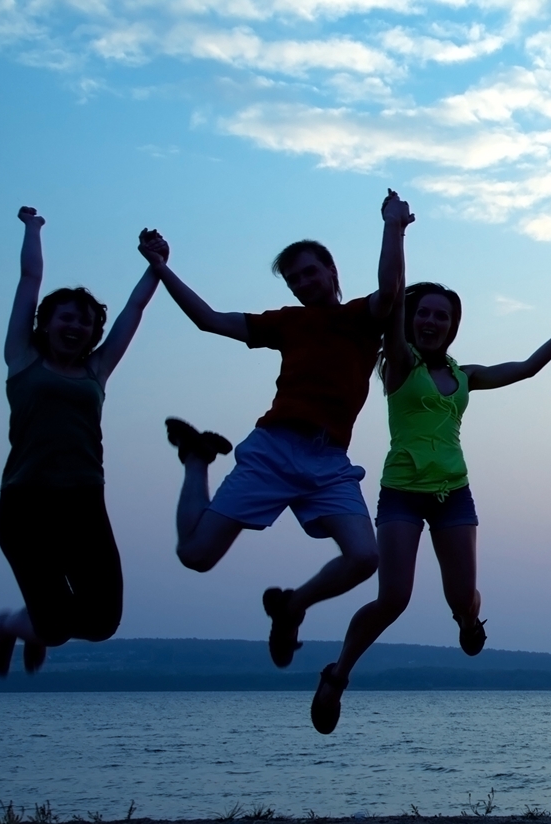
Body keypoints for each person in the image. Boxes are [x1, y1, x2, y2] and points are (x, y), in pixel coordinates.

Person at [148, 190, 409, 669]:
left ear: (331, 271)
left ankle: (292, 606)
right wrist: (162, 268)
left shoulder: (358, 318)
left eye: (310, 272)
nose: (303, 283)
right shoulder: (288, 323)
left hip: (328, 461)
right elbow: (209, 320)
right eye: (293, 280)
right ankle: (195, 459)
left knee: (364, 558)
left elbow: (392, 289)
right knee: (196, 555)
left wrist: (393, 224)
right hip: (274, 448)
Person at [308, 283, 551, 734]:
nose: (432, 322)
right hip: (402, 489)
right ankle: (337, 674)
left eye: (442, 316)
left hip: (454, 492)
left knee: (461, 599)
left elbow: (526, 369)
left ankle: (470, 619)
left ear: (454, 326)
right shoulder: (398, 363)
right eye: (424, 314)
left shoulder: (463, 374)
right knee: (394, 598)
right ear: (408, 320)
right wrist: (395, 231)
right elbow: (394, 297)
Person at [0, 209, 167, 677]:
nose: (76, 327)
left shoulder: (96, 370)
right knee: (57, 625)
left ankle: (31, 626)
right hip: (26, 505)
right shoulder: (22, 358)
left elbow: (134, 311)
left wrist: (156, 266)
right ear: (46, 323)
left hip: (85, 504)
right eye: (67, 318)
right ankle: (12, 625)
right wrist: (33, 228)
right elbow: (30, 278)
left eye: (86, 323)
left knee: (103, 622)